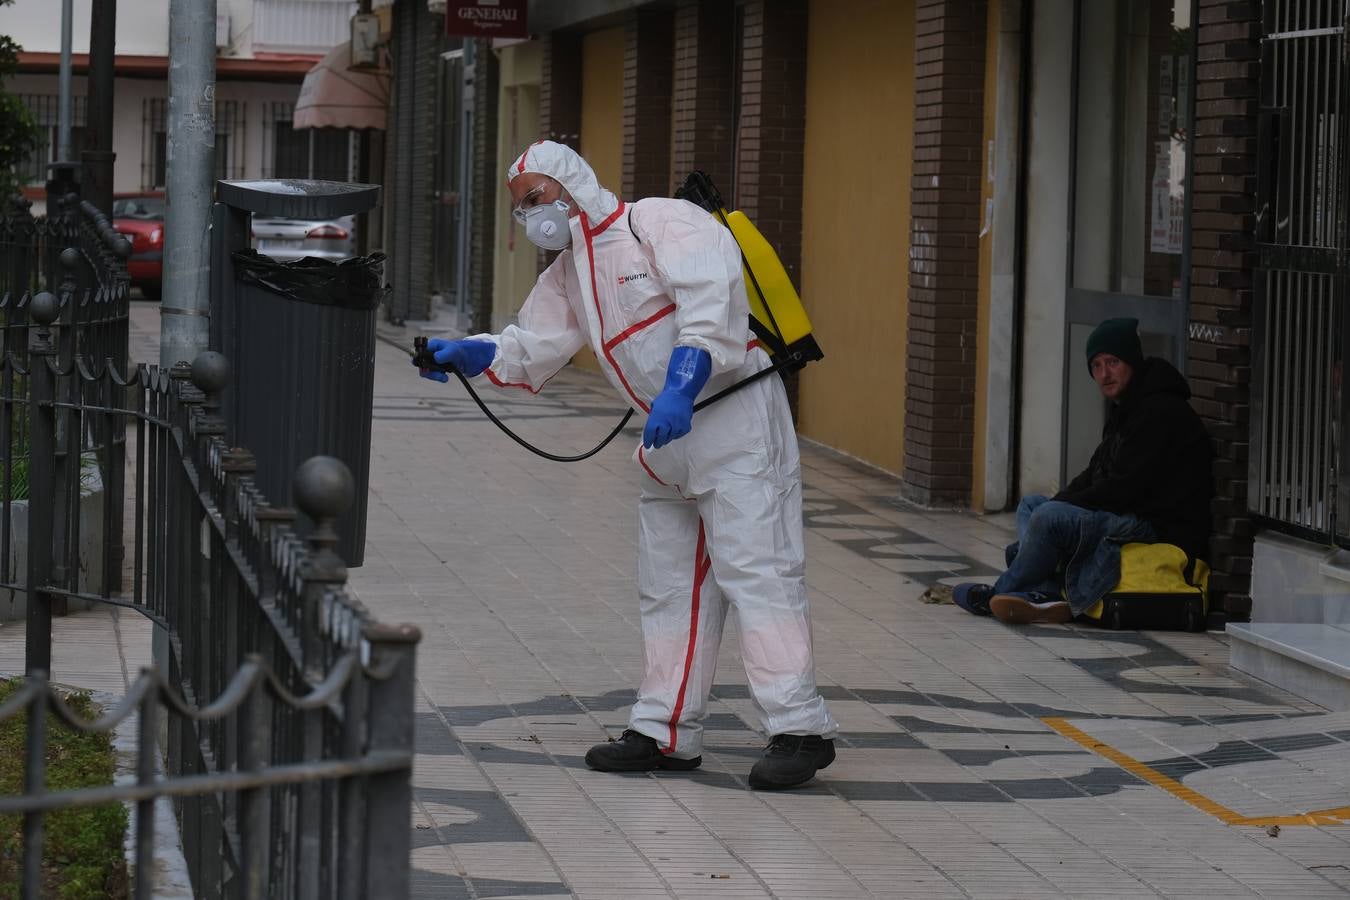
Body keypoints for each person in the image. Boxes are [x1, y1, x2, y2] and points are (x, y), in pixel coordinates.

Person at [420, 140, 838, 789]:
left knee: (759, 570)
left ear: (571, 185)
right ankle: (666, 730)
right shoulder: (569, 272)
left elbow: (711, 306)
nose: (532, 215)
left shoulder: (663, 223)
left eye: (536, 198)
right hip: (669, 439)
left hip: (734, 418)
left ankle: (799, 727)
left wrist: (680, 383)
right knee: (669, 586)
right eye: (522, 208)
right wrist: (468, 353)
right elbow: (532, 344)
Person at [953, 317, 1212, 625]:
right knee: (1033, 506)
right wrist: (1060, 502)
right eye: (1097, 366)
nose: (1105, 374)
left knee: (1047, 520)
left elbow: (1124, 489)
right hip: (1127, 510)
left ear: (1132, 361)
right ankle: (1047, 589)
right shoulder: (1127, 408)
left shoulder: (1159, 412)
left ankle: (1002, 590)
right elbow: (1094, 473)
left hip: (1154, 524)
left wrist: (1060, 512)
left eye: (1113, 362)